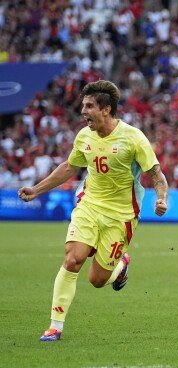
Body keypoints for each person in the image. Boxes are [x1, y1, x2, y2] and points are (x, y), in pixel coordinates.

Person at [18, 80, 168, 341]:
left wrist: (161, 198)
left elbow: (156, 174)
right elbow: (69, 167)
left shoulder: (133, 138)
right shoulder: (84, 136)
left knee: (97, 279)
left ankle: (120, 266)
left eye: (89, 106)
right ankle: (55, 326)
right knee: (72, 258)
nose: (83, 111)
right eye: (83, 106)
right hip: (89, 205)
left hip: (121, 216)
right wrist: (37, 189)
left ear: (106, 109)